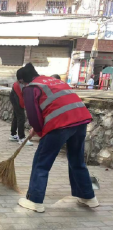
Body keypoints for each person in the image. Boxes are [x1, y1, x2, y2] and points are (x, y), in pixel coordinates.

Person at [18, 63, 98, 213]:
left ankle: (34, 200)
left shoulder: (31, 88)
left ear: (23, 80)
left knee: (41, 162)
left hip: (59, 125)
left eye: (20, 83)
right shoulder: (53, 81)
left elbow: (33, 115)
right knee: (77, 160)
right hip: (80, 121)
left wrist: (39, 131)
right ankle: (88, 197)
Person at [9, 68, 33, 146]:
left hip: (14, 98)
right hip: (16, 99)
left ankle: (13, 135)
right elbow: (20, 99)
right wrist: (24, 106)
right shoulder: (18, 86)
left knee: (16, 117)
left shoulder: (19, 84)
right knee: (21, 118)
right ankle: (21, 138)